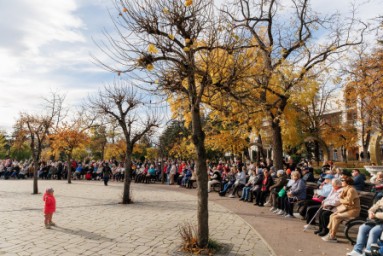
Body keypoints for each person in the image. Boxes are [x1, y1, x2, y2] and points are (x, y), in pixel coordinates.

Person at [322, 176, 360, 242]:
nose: (341, 182)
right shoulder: (346, 188)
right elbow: (345, 200)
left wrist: (341, 199)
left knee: (336, 217)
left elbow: (348, 201)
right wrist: (342, 199)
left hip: (353, 210)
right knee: (332, 216)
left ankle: (332, 236)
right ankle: (330, 233)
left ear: (347, 182)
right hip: (346, 208)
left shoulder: (351, 190)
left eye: (343, 181)